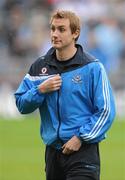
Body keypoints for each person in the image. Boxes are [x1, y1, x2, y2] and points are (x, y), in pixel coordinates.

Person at [14, 10, 116, 180]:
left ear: (75, 33)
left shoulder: (92, 67)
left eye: (61, 29)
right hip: (53, 153)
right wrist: (39, 91)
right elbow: (21, 104)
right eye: (52, 29)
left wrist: (80, 138)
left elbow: (106, 111)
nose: (55, 34)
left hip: (83, 152)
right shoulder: (39, 67)